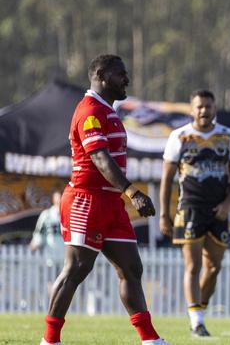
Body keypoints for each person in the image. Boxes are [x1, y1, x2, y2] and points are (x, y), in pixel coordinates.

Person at [41, 54, 169, 345]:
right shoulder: (89, 110)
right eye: (120, 73)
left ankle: (150, 340)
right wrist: (133, 191)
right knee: (76, 269)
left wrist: (124, 194)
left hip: (112, 203)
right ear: (100, 74)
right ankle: (49, 340)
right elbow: (99, 158)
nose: (127, 78)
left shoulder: (108, 111)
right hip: (87, 200)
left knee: (131, 269)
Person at [159, 89, 230, 337]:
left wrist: (227, 204)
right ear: (191, 109)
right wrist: (164, 213)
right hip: (190, 208)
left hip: (219, 209)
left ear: (215, 108)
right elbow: (166, 178)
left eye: (208, 106)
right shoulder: (180, 136)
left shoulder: (227, 136)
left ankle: (199, 311)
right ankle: (196, 320)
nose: (204, 110)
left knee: (214, 267)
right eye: (199, 106)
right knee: (193, 266)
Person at [30, 190, 65, 268]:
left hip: (65, 253)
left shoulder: (68, 215)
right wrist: (36, 242)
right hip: (51, 252)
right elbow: (39, 231)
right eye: (57, 197)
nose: (59, 199)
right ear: (53, 199)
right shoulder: (47, 215)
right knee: (50, 277)